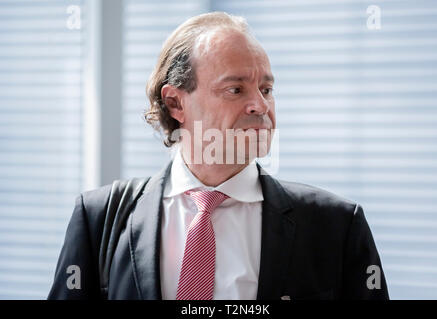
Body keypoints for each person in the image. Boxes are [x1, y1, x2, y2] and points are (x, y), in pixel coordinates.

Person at [48, 12, 389, 300]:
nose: (261, 105)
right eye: (235, 89)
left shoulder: (336, 225)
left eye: (266, 89)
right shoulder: (99, 219)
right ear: (175, 103)